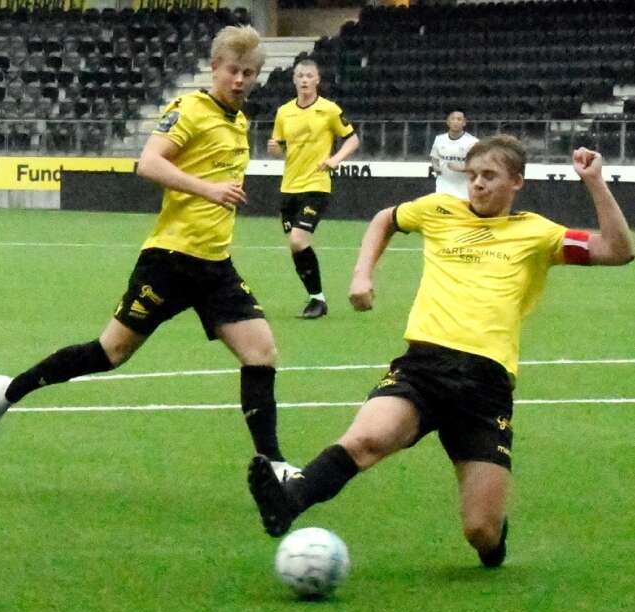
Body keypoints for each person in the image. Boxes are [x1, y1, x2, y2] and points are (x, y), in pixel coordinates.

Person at [248, 137, 633, 567]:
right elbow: (384, 219)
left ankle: (494, 537)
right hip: (423, 367)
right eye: (472, 176)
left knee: (481, 531)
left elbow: (619, 250)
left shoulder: (539, 233)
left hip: (485, 386)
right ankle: (289, 500)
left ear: (516, 182)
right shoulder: (438, 210)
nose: (478, 184)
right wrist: (362, 275)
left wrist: (595, 182)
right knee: (367, 439)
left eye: (490, 176)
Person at [0, 25, 299, 485]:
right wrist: (207, 189)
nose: (240, 80)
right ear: (215, 68)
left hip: (215, 266)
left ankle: (274, 464)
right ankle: (8, 390)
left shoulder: (239, 122)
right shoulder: (189, 109)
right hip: (170, 260)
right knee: (110, 352)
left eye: (248, 73)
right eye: (232, 70)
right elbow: (148, 163)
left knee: (261, 352)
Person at [268, 58, 360, 319]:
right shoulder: (284, 112)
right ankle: (316, 299)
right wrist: (276, 150)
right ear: (294, 80)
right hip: (289, 186)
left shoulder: (329, 109)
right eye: (300, 75)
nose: (304, 80)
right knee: (296, 246)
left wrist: (334, 160)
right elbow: (281, 149)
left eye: (309, 75)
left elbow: (352, 139)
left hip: (316, 185)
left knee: (298, 239)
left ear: (317, 79)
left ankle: (318, 300)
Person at [429, 109, 478, 200]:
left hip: (463, 190)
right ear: (448, 122)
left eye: (459, 119)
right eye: (453, 119)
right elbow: (434, 157)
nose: (455, 122)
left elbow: (478, 165)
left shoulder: (473, 142)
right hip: (442, 187)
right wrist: (436, 167)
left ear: (464, 122)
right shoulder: (439, 139)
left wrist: (462, 168)